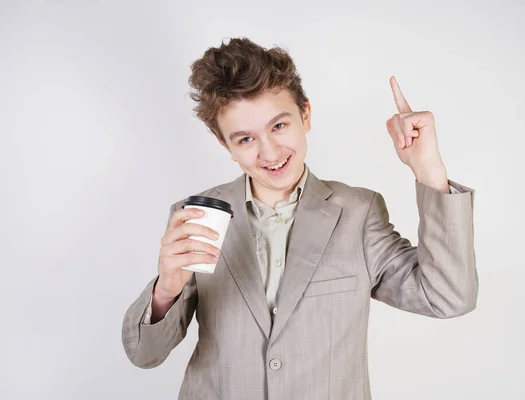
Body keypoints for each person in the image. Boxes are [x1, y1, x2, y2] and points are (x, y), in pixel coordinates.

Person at [122, 37, 478, 399]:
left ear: (305, 115)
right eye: (245, 139)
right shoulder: (199, 216)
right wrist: (166, 290)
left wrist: (429, 170)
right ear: (224, 144)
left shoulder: (358, 213)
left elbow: (447, 297)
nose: (270, 151)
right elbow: (144, 354)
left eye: (279, 126)